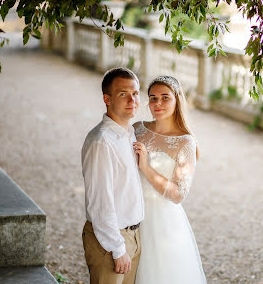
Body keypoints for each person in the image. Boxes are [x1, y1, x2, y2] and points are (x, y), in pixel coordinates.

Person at [132, 75, 207, 284]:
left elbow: (178, 195)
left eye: (165, 97)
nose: (158, 103)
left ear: (177, 100)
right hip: (130, 212)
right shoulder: (138, 129)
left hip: (161, 222)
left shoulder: (185, 142)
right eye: (153, 98)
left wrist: (145, 167)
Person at [81, 67, 144, 284]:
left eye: (135, 93)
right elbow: (100, 201)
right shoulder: (101, 141)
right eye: (123, 94)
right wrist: (118, 248)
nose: (132, 99)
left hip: (132, 235)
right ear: (107, 99)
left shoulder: (129, 133)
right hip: (111, 240)